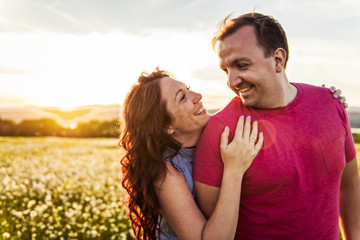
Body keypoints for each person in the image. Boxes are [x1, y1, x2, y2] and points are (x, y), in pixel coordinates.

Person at [193, 12, 360, 240]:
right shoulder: (220, 130)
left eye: (242, 65)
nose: (231, 81)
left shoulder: (331, 103)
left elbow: (348, 186)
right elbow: (215, 228)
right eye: (226, 70)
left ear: (278, 60)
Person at [119, 68, 263, 240]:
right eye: (182, 97)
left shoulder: (217, 139)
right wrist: (234, 170)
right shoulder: (166, 172)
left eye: (187, 88)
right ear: (165, 126)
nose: (198, 96)